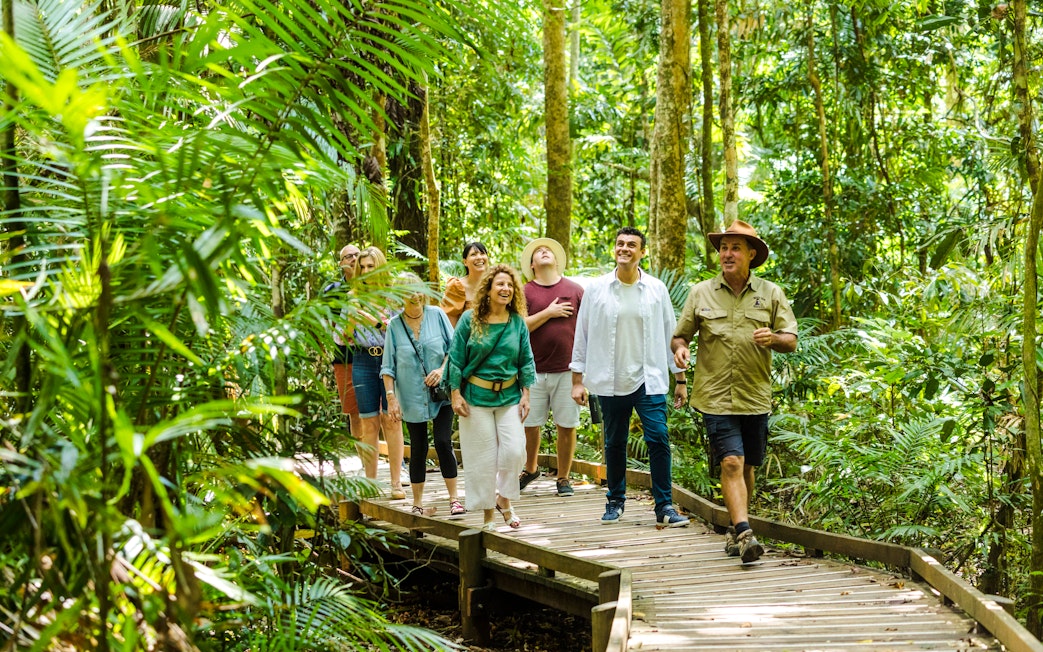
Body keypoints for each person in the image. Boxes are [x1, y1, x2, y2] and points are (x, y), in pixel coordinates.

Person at [671, 220, 797, 563]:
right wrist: (680, 349)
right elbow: (680, 335)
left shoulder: (771, 293)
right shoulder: (701, 293)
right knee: (731, 462)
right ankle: (744, 532)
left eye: (735, 247)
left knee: (748, 467)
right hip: (714, 395)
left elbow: (791, 339)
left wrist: (773, 338)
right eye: (723, 247)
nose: (727, 253)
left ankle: (734, 529)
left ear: (751, 254)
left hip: (755, 394)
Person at [570, 227, 689, 529]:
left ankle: (664, 505)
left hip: (648, 379)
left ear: (642, 252)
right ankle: (615, 500)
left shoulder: (656, 289)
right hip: (610, 380)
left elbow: (669, 333)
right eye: (620, 243)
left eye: (631, 245)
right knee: (614, 441)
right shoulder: (596, 289)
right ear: (614, 249)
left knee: (658, 438)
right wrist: (577, 379)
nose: (624, 249)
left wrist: (681, 378)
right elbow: (581, 335)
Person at [447, 264, 536, 530]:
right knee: (482, 458)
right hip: (475, 398)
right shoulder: (469, 319)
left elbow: (526, 360)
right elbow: (455, 358)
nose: (505, 289)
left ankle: (504, 499)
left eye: (509, 285)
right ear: (488, 289)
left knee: (514, 451)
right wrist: (455, 394)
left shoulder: (517, 322)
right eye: (500, 284)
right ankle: (489, 515)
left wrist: (526, 394)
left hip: (509, 396)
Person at [381, 273, 465, 517]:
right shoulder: (394, 326)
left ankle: (454, 499)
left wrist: (441, 370)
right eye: (408, 292)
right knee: (417, 447)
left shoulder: (437, 315)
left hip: (442, 393)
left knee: (442, 441)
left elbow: (454, 350)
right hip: (410, 397)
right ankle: (417, 503)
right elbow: (388, 367)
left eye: (417, 290)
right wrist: (391, 397)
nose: (414, 296)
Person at [518, 237, 584, 497]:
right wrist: (549, 312)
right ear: (532, 264)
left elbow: (586, 330)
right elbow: (518, 326)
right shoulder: (524, 291)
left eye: (548, 251)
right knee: (529, 424)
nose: (544, 252)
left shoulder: (576, 289)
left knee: (566, 425)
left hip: (568, 370)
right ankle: (530, 468)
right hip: (532, 370)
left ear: (557, 261)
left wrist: (583, 372)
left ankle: (564, 477)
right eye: (538, 252)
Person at [349, 246, 406, 499]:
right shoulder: (354, 297)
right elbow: (341, 339)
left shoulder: (393, 298)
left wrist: (374, 322)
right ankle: (370, 482)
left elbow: (400, 331)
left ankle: (396, 482)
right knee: (368, 423)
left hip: (389, 360)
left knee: (391, 420)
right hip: (362, 359)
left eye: (371, 266)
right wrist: (351, 321)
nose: (366, 271)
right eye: (363, 267)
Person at [325, 244, 363, 447]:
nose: (354, 259)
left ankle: (390, 458)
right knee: (354, 411)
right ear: (341, 264)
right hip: (344, 358)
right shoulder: (332, 292)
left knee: (381, 410)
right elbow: (328, 325)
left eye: (357, 254)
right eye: (349, 256)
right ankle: (363, 459)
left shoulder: (375, 286)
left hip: (376, 356)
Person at [441, 241, 489, 327]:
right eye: (473, 254)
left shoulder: (494, 284)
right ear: (465, 262)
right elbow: (450, 323)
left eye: (482, 253)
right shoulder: (456, 287)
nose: (479, 257)